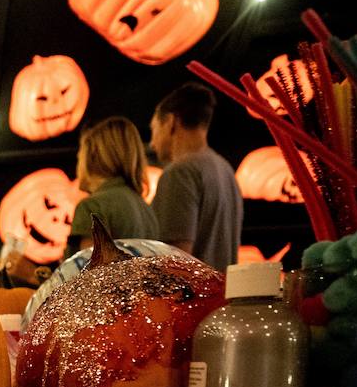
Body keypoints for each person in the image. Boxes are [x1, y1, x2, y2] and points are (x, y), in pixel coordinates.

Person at [149, 82, 243, 271]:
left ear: (170, 122)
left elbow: (175, 259)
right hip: (224, 295)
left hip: (193, 299)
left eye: (154, 129)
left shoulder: (180, 172)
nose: (152, 143)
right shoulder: (225, 169)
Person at [69, 116, 159, 254]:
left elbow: (88, 270)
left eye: (79, 156)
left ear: (92, 156)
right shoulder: (146, 209)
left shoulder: (92, 207)